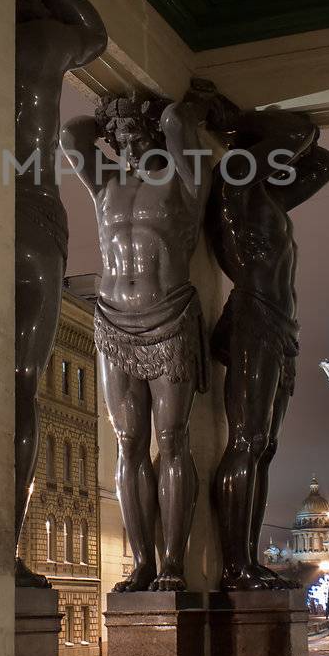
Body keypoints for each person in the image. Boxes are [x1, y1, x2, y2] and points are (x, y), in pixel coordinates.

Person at [62, 86, 215, 592]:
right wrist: (114, 112)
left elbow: (175, 122)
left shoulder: (183, 178)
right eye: (118, 134)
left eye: (134, 131)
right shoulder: (105, 183)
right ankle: (143, 563)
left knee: (171, 442)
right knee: (128, 444)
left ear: (154, 134)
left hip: (168, 316)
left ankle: (173, 563)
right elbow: (71, 134)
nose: (126, 141)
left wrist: (176, 111)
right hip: (112, 322)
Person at [10, 0, 106, 587]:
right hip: (35, 217)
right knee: (20, 383)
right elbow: (97, 35)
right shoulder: (42, 43)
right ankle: (4, 549)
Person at [208, 105, 329, 590]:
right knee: (248, 442)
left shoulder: (269, 198)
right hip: (255, 321)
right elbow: (303, 132)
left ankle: (246, 562)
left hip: (282, 328)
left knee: (265, 447)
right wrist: (236, 115)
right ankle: (233, 564)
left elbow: (325, 161)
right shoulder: (235, 186)